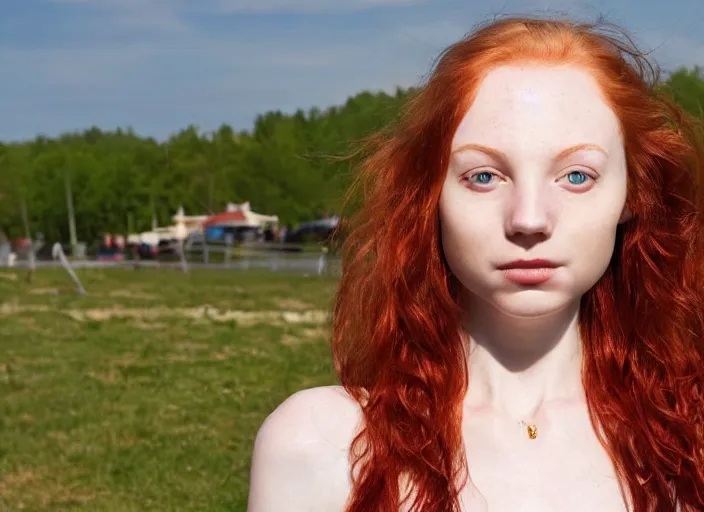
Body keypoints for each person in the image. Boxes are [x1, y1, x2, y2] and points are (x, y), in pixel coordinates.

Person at [247, 16, 704, 512]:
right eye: (484, 176)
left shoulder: (687, 446)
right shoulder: (323, 446)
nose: (529, 218)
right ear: (431, 196)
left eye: (576, 175)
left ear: (634, 194)